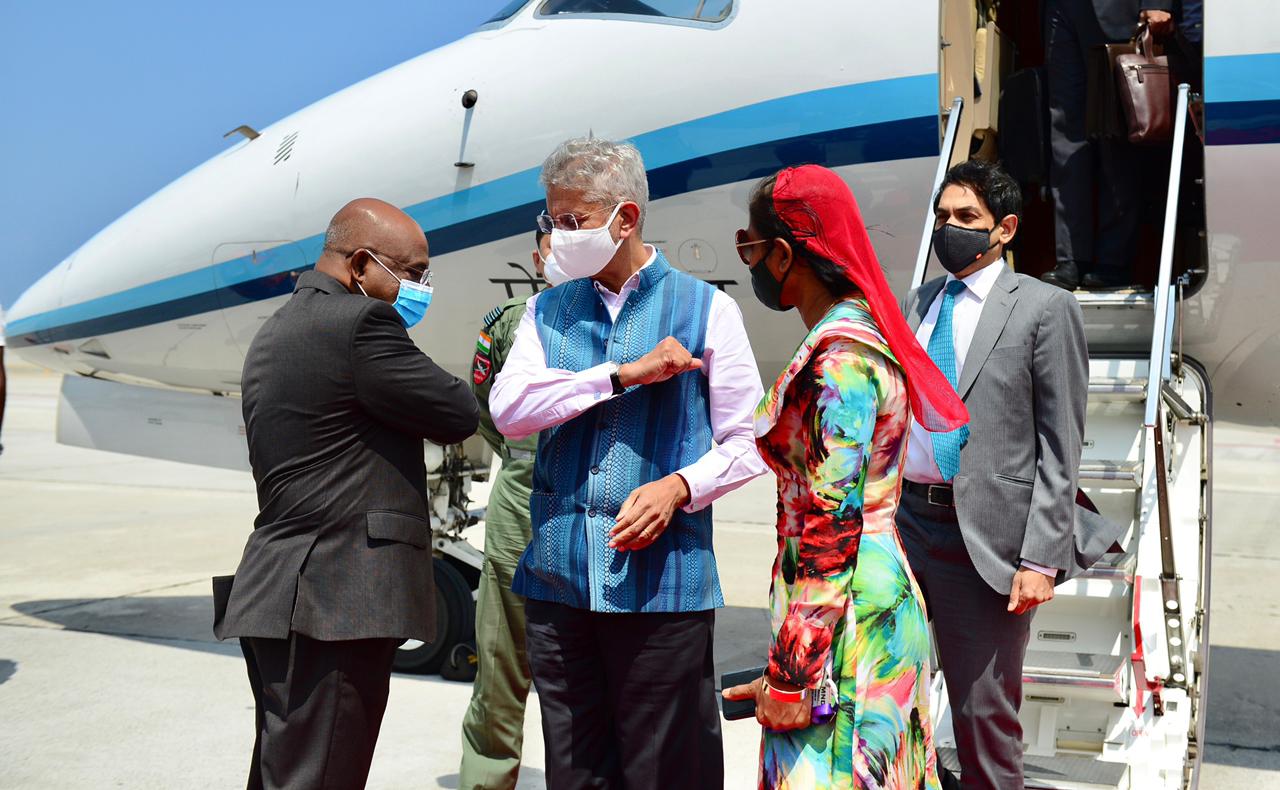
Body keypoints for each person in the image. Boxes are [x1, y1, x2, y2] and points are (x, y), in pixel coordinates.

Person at [489, 137, 767, 790]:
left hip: (663, 592)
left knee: (667, 772)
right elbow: (511, 409)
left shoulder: (709, 310)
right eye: (551, 220)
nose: (557, 236)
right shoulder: (544, 311)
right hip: (559, 587)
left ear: (626, 219)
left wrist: (679, 486)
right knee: (577, 774)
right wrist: (618, 376)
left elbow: (750, 441)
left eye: (572, 221)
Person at [212, 198, 480, 789]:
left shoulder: (277, 328)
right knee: (322, 774)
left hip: (280, 589)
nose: (418, 287)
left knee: (286, 771)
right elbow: (457, 412)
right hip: (339, 600)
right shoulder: (361, 325)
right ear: (361, 265)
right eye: (411, 273)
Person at [721, 165, 967, 789]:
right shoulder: (857, 336)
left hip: (846, 617)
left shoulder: (841, 362)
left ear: (783, 254)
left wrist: (791, 673)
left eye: (750, 247)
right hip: (861, 599)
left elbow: (832, 524)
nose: (749, 263)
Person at [898, 160, 1123, 789]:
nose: (950, 229)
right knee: (887, 701)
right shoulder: (918, 303)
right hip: (907, 524)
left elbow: (1061, 442)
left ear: (1004, 229)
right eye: (942, 217)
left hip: (988, 544)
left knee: (983, 720)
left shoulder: (1044, 307)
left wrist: (1041, 558)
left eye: (966, 218)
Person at [458, 230, 554, 790]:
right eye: (549, 247)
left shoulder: (623, 320)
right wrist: (528, 461)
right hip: (519, 512)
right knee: (498, 668)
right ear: (538, 259)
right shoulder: (509, 322)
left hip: (598, 516)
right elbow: (486, 410)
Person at [1040, 0, 1175, 291]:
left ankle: (1114, 259)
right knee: (1064, 129)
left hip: (1121, 10)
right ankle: (1072, 257)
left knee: (1118, 124)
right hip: (1062, 9)